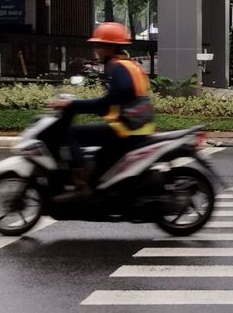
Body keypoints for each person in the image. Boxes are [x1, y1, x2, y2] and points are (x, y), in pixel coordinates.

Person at [49, 22, 155, 201]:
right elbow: (114, 102)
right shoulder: (128, 65)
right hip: (135, 126)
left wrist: (73, 105)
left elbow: (112, 100)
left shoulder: (119, 68)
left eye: (99, 45)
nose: (96, 49)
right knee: (97, 154)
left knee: (72, 134)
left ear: (110, 47)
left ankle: (82, 184)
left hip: (127, 130)